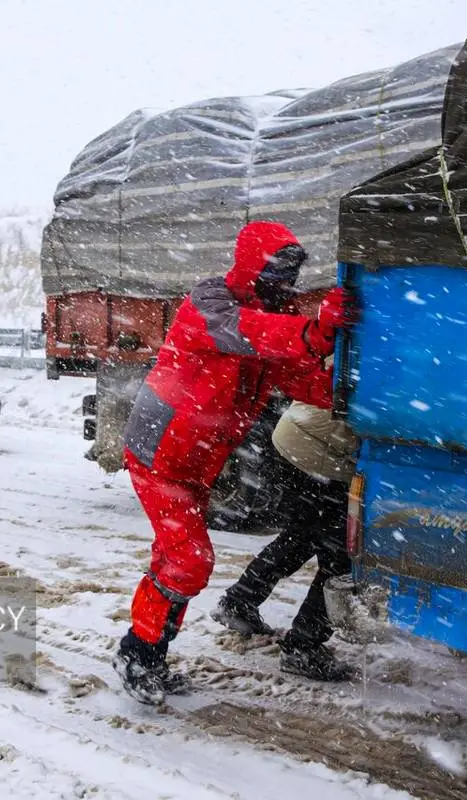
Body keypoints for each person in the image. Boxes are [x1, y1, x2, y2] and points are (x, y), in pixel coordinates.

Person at [113, 220, 352, 704]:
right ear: (252, 265)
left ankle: (146, 657)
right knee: (188, 561)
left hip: (197, 460)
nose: (284, 283)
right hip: (159, 456)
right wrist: (313, 330)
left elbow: (300, 379)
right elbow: (247, 333)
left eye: (290, 274)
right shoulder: (210, 305)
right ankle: (137, 654)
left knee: (173, 561)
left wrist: (359, 401)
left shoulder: (271, 313)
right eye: (276, 271)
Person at [212, 398, 359, 681]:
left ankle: (238, 602)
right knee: (340, 556)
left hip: (293, 439)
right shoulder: (393, 366)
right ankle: (302, 647)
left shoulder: (364, 355)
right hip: (317, 453)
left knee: (302, 535)